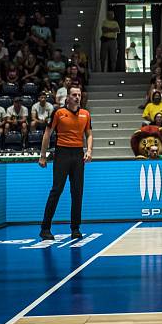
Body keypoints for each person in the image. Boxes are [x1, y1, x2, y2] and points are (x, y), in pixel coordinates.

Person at [39, 86, 93, 240]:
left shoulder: (86, 114)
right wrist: (43, 156)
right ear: (67, 97)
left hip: (78, 155)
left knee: (77, 192)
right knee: (56, 191)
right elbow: (47, 133)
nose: (77, 97)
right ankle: (45, 228)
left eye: (79, 95)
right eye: (74, 95)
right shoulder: (59, 113)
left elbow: (89, 134)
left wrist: (89, 150)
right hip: (62, 153)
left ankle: (75, 229)